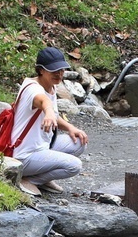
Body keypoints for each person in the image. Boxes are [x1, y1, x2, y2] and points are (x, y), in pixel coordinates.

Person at [10, 47, 89, 196]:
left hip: (42, 147)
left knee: (79, 142)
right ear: (41, 71)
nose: (59, 74)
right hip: (23, 155)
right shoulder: (32, 88)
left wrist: (70, 127)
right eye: (54, 70)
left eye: (61, 70)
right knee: (74, 166)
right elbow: (43, 101)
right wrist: (48, 111)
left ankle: (40, 175)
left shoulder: (50, 87)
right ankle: (30, 179)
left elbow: (53, 114)